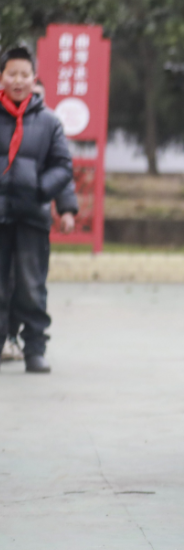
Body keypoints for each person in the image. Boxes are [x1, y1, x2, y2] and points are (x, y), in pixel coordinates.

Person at [0, 47, 74, 374]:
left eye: (24, 74)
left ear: (34, 78)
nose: (18, 80)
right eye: (11, 74)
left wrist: (43, 192)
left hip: (32, 217)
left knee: (31, 285)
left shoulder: (49, 122)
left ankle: (34, 348)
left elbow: (62, 165)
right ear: (2, 77)